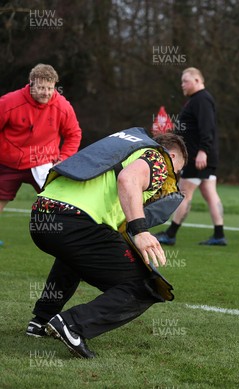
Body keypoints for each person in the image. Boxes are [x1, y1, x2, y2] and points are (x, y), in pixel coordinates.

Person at [26, 128, 187, 358]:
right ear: (172, 156)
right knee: (144, 286)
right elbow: (128, 179)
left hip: (43, 215)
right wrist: (140, 231)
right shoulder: (158, 158)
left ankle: (41, 320)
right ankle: (73, 325)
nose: (172, 178)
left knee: (75, 258)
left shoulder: (122, 150)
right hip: (76, 221)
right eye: (177, 171)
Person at [0, 64, 82, 246]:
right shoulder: (9, 102)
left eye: (50, 88)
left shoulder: (62, 106)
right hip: (8, 161)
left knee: (59, 202)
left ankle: (66, 242)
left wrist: (63, 160)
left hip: (44, 162)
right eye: (41, 88)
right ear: (31, 84)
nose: (46, 93)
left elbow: (74, 134)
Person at [155, 67, 227, 246]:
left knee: (184, 193)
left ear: (197, 81)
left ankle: (170, 234)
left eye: (185, 81)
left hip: (198, 158)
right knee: (210, 194)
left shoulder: (202, 100)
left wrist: (203, 151)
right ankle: (219, 235)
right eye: (181, 81)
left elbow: (207, 128)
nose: (182, 85)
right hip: (202, 157)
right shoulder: (196, 100)